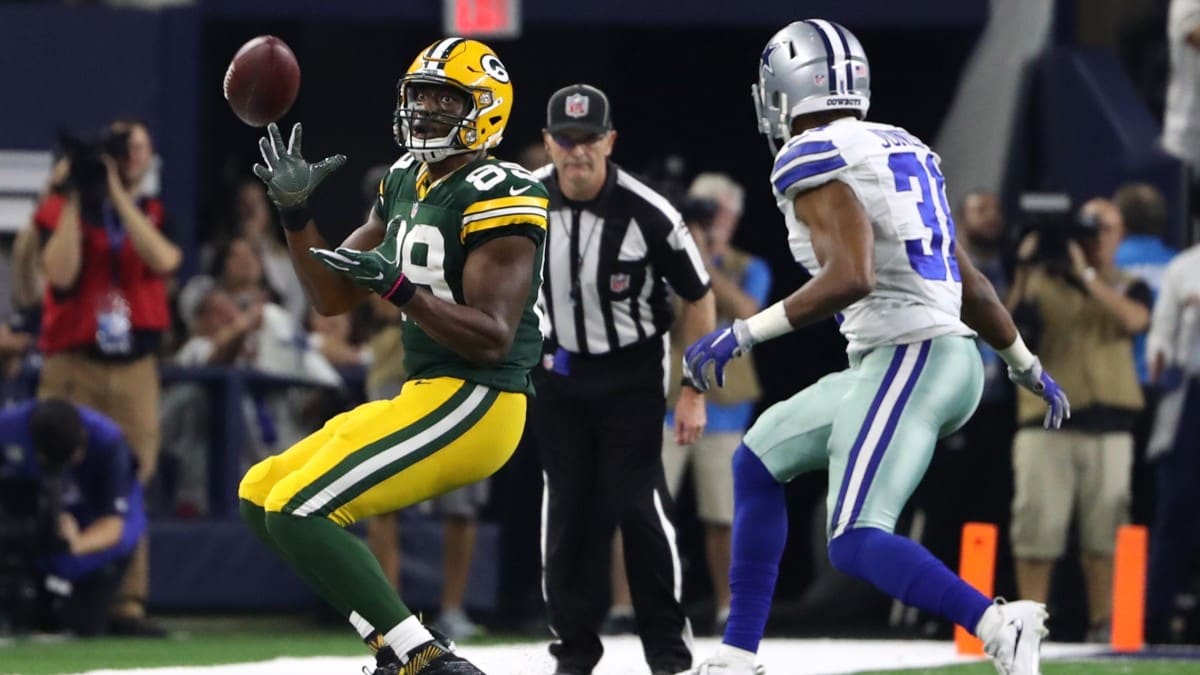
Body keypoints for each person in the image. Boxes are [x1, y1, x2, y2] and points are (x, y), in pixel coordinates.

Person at [683, 20, 1069, 675]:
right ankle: (738, 653)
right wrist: (1024, 362)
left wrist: (744, 331)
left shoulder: (810, 154)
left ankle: (998, 623)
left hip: (912, 355)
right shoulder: (903, 148)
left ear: (786, 88)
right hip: (920, 357)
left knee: (857, 536)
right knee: (756, 459)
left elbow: (851, 275)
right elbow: (966, 276)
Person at [239, 37, 547, 675]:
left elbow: (493, 334)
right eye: (421, 95)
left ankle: (422, 656)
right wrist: (296, 216)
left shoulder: (502, 189)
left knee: (302, 508)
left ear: (485, 108)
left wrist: (400, 289)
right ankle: (394, 643)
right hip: (425, 392)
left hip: (480, 399)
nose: (428, 108)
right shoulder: (407, 177)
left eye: (446, 97)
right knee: (260, 494)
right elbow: (331, 295)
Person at [533, 83, 715, 675]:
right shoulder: (523, 203)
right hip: (557, 376)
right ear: (548, 142)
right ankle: (574, 653)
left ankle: (667, 653)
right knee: (566, 517)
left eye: (589, 140)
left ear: (610, 142)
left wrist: (692, 388)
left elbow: (700, 296)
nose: (577, 153)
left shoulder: (648, 211)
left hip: (631, 377)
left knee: (638, 509)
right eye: (566, 139)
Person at [35, 117, 178, 636]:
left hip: (135, 366)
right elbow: (60, 273)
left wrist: (118, 195)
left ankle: (127, 603)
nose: (125, 156)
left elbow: (163, 258)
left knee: (132, 476)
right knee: (55, 472)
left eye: (134, 147)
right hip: (74, 362)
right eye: (118, 149)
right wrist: (76, 193)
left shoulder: (154, 210)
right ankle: (46, 587)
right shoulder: (62, 208)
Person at [1006, 198, 1149, 642]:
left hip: (1109, 426)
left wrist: (1085, 275)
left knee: (1106, 533)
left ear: (1120, 234)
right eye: (1086, 229)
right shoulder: (1038, 283)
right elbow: (1005, 329)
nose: (1093, 238)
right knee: (1036, 529)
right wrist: (1026, 268)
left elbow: (1133, 320)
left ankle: (1104, 625)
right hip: (1044, 424)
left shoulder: (1130, 283)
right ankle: (1029, 627)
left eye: (1102, 228)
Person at [663, 173, 770, 634]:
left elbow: (750, 311)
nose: (709, 218)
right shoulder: (663, 258)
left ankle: (728, 605)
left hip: (726, 403)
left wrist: (704, 260)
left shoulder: (749, 266)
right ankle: (633, 604)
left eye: (717, 209)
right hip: (664, 400)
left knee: (723, 513)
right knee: (648, 511)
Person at [0, 399, 146, 637]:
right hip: (32, 528)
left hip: (90, 532)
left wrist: (76, 542)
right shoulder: (8, 428)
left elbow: (115, 525)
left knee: (82, 623)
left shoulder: (108, 442)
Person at [1142, 240, 1200, 642]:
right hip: (1190, 397)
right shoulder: (1184, 267)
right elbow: (1158, 341)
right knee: (1177, 511)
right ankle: (1153, 619)